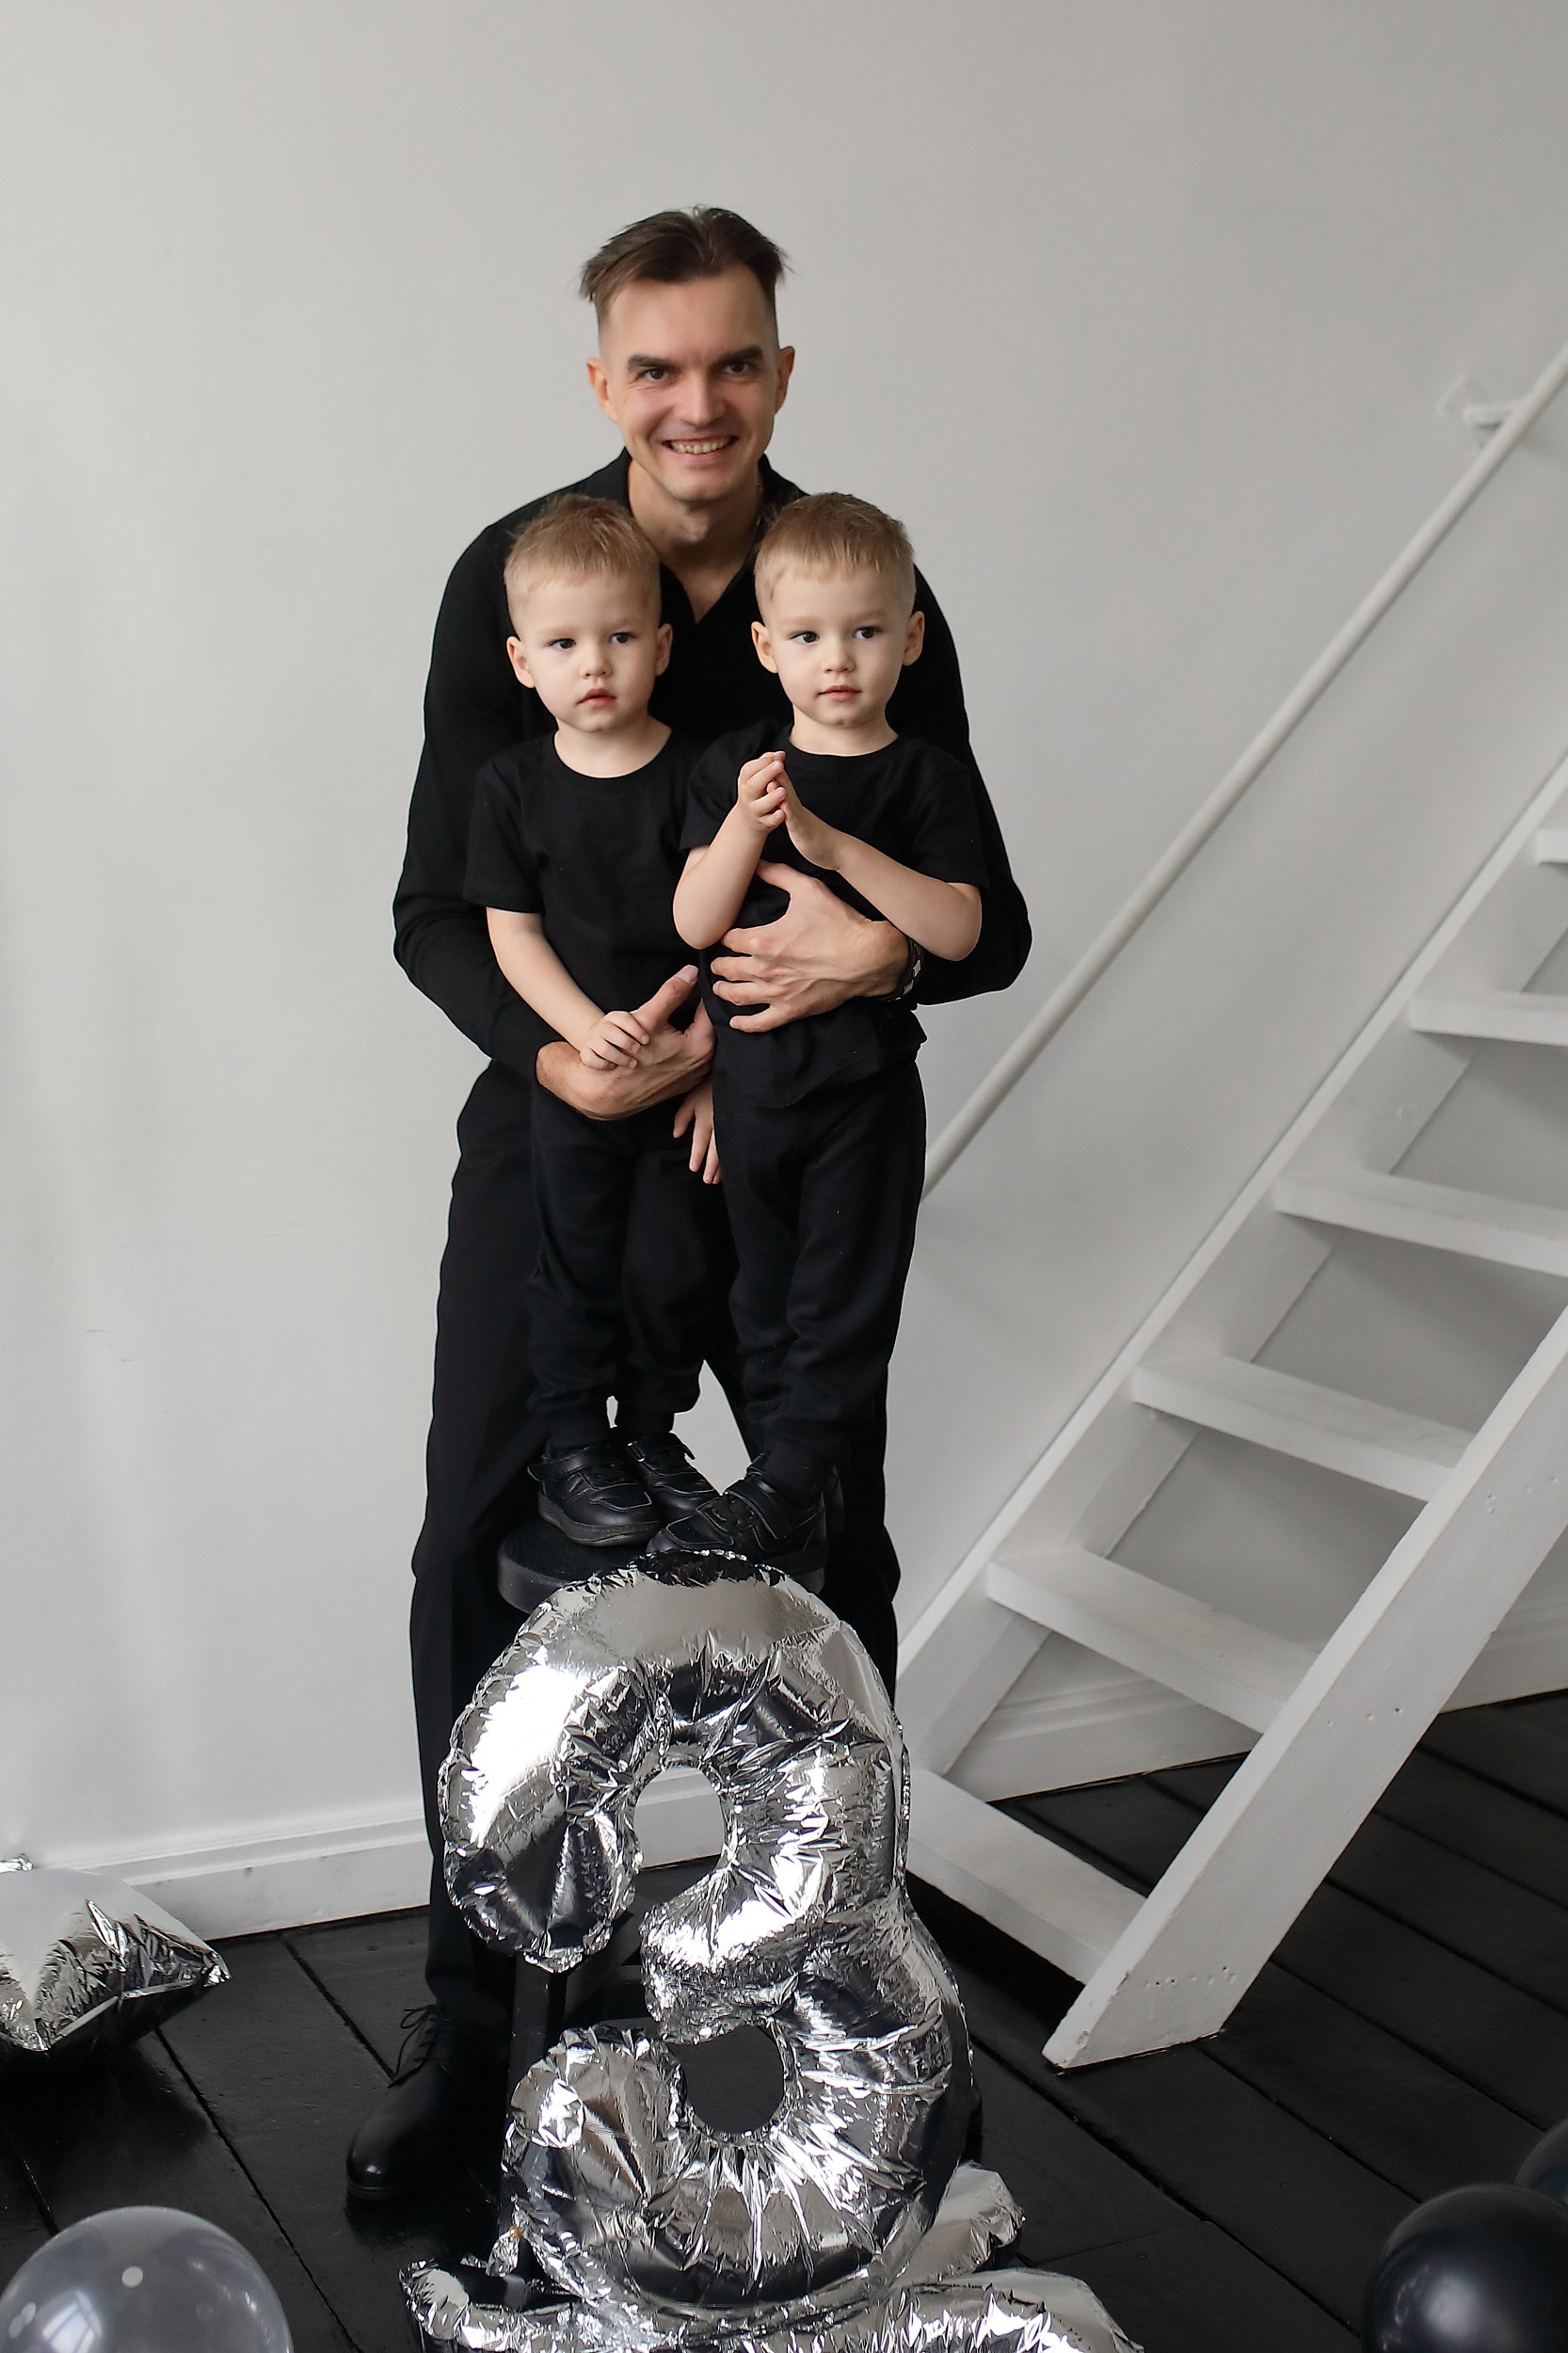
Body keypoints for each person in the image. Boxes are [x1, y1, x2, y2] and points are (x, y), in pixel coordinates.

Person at [351, 205, 1030, 2200]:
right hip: (572, 1124)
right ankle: (471, 2013)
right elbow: (436, 908)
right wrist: (555, 1053)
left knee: (833, 1545)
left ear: (780, 371)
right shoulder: (525, 575)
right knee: (469, 1543)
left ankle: (858, 2012)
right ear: (604, 382)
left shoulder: (858, 574)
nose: (697, 402)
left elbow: (971, 907)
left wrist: (873, 955)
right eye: (656, 368)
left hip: (789, 1136)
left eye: (733, 361)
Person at [655, 492, 985, 1574]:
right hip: (754, 1093)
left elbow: (961, 928)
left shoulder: (924, 775)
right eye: (805, 635)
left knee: (840, 1304)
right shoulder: (737, 767)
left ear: (910, 638)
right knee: (760, 1303)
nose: (836, 659)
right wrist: (745, 829)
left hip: (860, 1094)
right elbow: (693, 922)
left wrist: (836, 848)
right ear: (766, 647)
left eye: (864, 631)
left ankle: (788, 1485)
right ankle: (788, 1492)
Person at [466, 494, 725, 1546]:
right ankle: (573, 1443)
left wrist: (713, 1069)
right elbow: (511, 933)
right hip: (577, 1084)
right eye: (565, 644)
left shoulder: (699, 774)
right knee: (572, 1264)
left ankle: (650, 1433)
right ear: (522, 661)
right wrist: (579, 1036)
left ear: (660, 647)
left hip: (685, 1079)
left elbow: (730, 926)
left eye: (619, 637)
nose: (595, 665)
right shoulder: (511, 787)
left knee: (676, 1263)